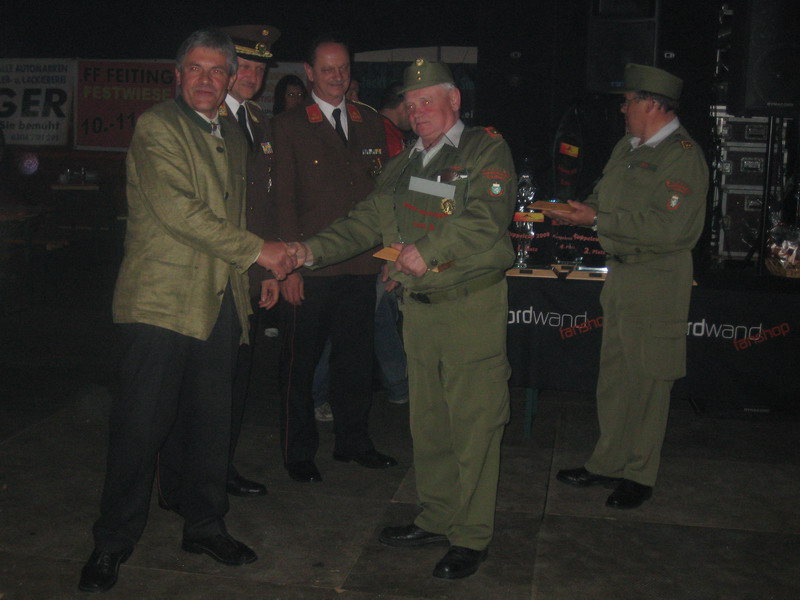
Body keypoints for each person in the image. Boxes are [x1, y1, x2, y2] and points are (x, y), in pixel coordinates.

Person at [78, 28, 294, 593]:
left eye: (217, 70)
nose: (206, 79)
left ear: (229, 80)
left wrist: (258, 274)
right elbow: (180, 211)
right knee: (139, 427)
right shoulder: (158, 126)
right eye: (195, 68)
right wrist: (260, 252)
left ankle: (204, 526)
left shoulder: (234, 134)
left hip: (220, 301)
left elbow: (241, 214)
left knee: (210, 426)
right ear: (177, 76)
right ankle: (112, 541)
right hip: (160, 302)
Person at [287, 58, 517, 580]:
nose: (417, 112)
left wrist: (427, 250)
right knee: (429, 424)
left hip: (470, 308)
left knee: (474, 425)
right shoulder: (406, 163)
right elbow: (365, 221)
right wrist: (308, 250)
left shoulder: (483, 150)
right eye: (410, 105)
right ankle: (437, 516)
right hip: (420, 311)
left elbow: (486, 217)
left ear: (454, 100)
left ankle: (471, 535)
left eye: (427, 101)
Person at [550, 63, 709, 509]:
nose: (623, 109)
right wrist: (578, 211)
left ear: (652, 104)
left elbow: (670, 228)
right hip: (622, 274)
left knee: (649, 380)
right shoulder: (628, 147)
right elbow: (605, 198)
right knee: (616, 378)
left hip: (657, 278)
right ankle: (608, 462)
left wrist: (598, 218)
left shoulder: (682, 156)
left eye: (628, 102)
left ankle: (639, 474)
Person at [272, 35, 395, 484]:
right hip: (310, 268)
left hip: (361, 265)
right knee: (299, 366)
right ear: (309, 72)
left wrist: (387, 253)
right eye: (327, 69)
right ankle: (298, 451)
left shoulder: (370, 121)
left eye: (343, 68)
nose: (337, 77)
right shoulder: (288, 126)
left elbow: (382, 196)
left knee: (356, 363)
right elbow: (283, 202)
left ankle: (353, 442)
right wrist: (289, 268)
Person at [218, 24, 281, 498]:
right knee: (207, 381)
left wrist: (267, 271)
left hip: (250, 269)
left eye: (260, 68)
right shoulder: (205, 115)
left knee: (237, 377)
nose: (252, 76)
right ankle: (194, 473)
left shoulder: (257, 119)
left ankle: (221, 465)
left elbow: (265, 203)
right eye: (244, 66)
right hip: (213, 271)